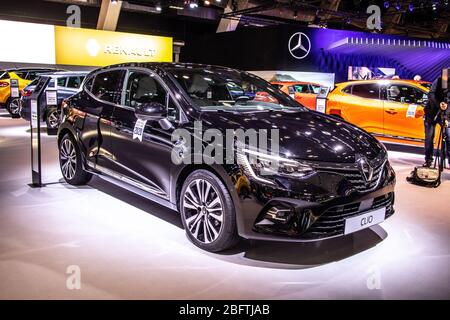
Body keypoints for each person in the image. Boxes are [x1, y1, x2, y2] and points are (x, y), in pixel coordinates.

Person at [423, 76, 450, 167]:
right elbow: (431, 94)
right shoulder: (440, 79)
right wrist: (439, 104)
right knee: (429, 137)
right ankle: (428, 160)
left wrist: (446, 116)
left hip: (445, 114)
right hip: (432, 113)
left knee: (449, 137)